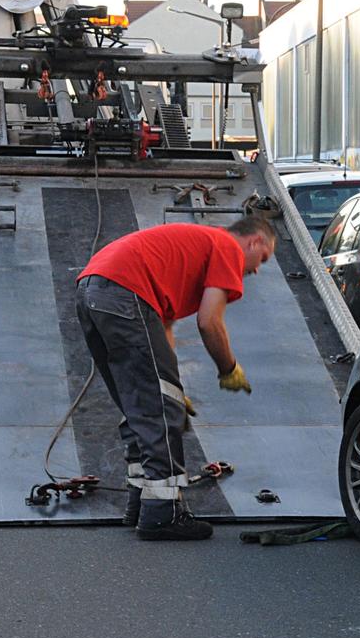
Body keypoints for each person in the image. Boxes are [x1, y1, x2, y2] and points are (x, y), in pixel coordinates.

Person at [75, 216, 276, 540]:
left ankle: (140, 504)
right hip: (125, 292)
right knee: (159, 410)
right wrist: (229, 369)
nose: (255, 270)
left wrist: (172, 387)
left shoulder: (192, 249)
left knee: (141, 405)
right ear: (254, 242)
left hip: (92, 291)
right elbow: (210, 322)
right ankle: (162, 516)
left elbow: (162, 327)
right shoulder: (227, 246)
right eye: (262, 259)